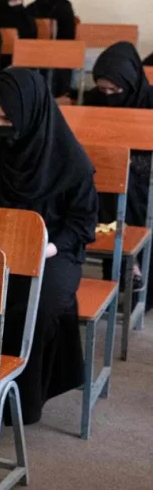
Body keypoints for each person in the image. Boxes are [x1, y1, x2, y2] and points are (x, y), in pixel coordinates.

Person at [0, 69, 97, 425]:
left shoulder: (67, 159)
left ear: (29, 116)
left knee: (36, 304)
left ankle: (16, 400)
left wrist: (46, 247)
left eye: (6, 118)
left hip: (51, 252)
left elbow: (82, 223)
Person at [86, 42, 153, 302]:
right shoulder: (95, 99)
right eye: (103, 89)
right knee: (102, 183)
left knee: (126, 187)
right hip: (105, 168)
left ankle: (130, 264)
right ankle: (127, 266)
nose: (109, 95)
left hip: (142, 171)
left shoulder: (149, 101)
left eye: (116, 90)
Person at [28, 0, 77, 96]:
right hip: (35, 52)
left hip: (60, 54)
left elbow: (68, 38)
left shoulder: (65, 8)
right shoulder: (31, 9)